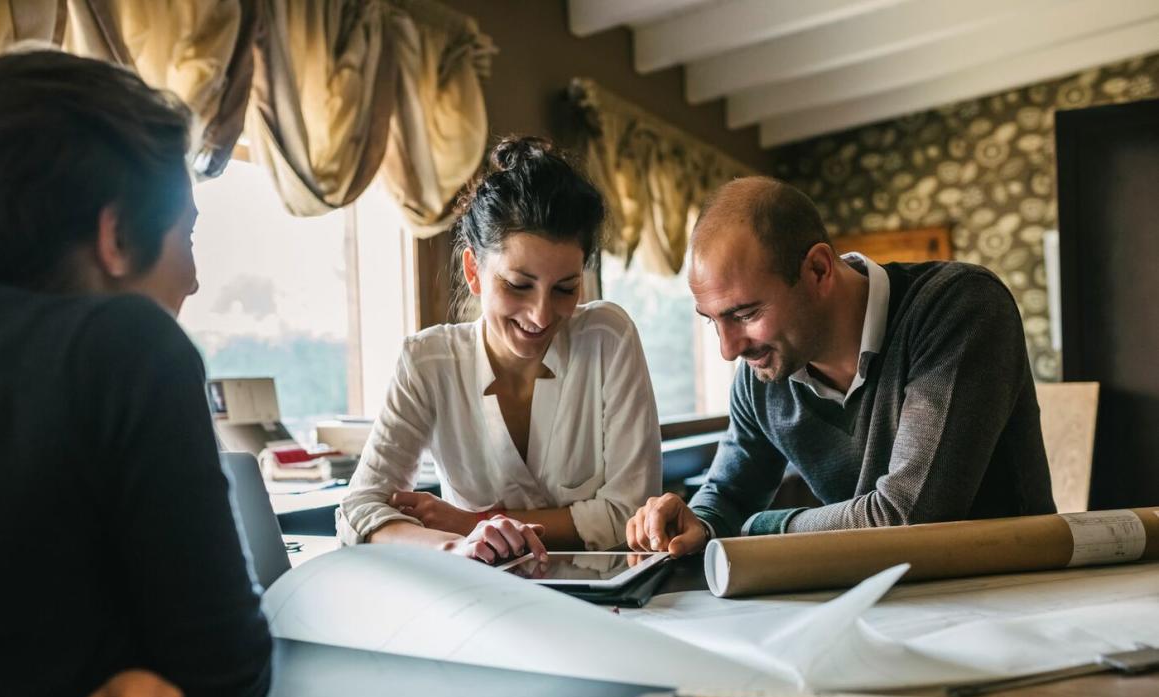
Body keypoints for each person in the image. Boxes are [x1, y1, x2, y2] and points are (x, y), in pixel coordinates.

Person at [0, 51, 271, 697]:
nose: (194, 277)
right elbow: (227, 672)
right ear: (115, 237)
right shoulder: (126, 345)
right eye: (186, 235)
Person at [626, 176, 1054, 559]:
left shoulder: (960, 307)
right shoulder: (763, 374)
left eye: (745, 313)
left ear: (817, 269)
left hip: (1007, 599)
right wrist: (693, 522)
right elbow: (730, 494)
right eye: (712, 321)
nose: (728, 349)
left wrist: (758, 528)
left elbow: (909, 518)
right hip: (875, 603)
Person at [338, 137, 662, 562]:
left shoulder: (608, 337)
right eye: (518, 285)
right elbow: (357, 509)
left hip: (606, 595)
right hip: (480, 600)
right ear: (474, 271)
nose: (541, 316)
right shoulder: (428, 362)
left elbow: (630, 512)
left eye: (565, 288)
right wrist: (457, 544)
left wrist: (474, 521)